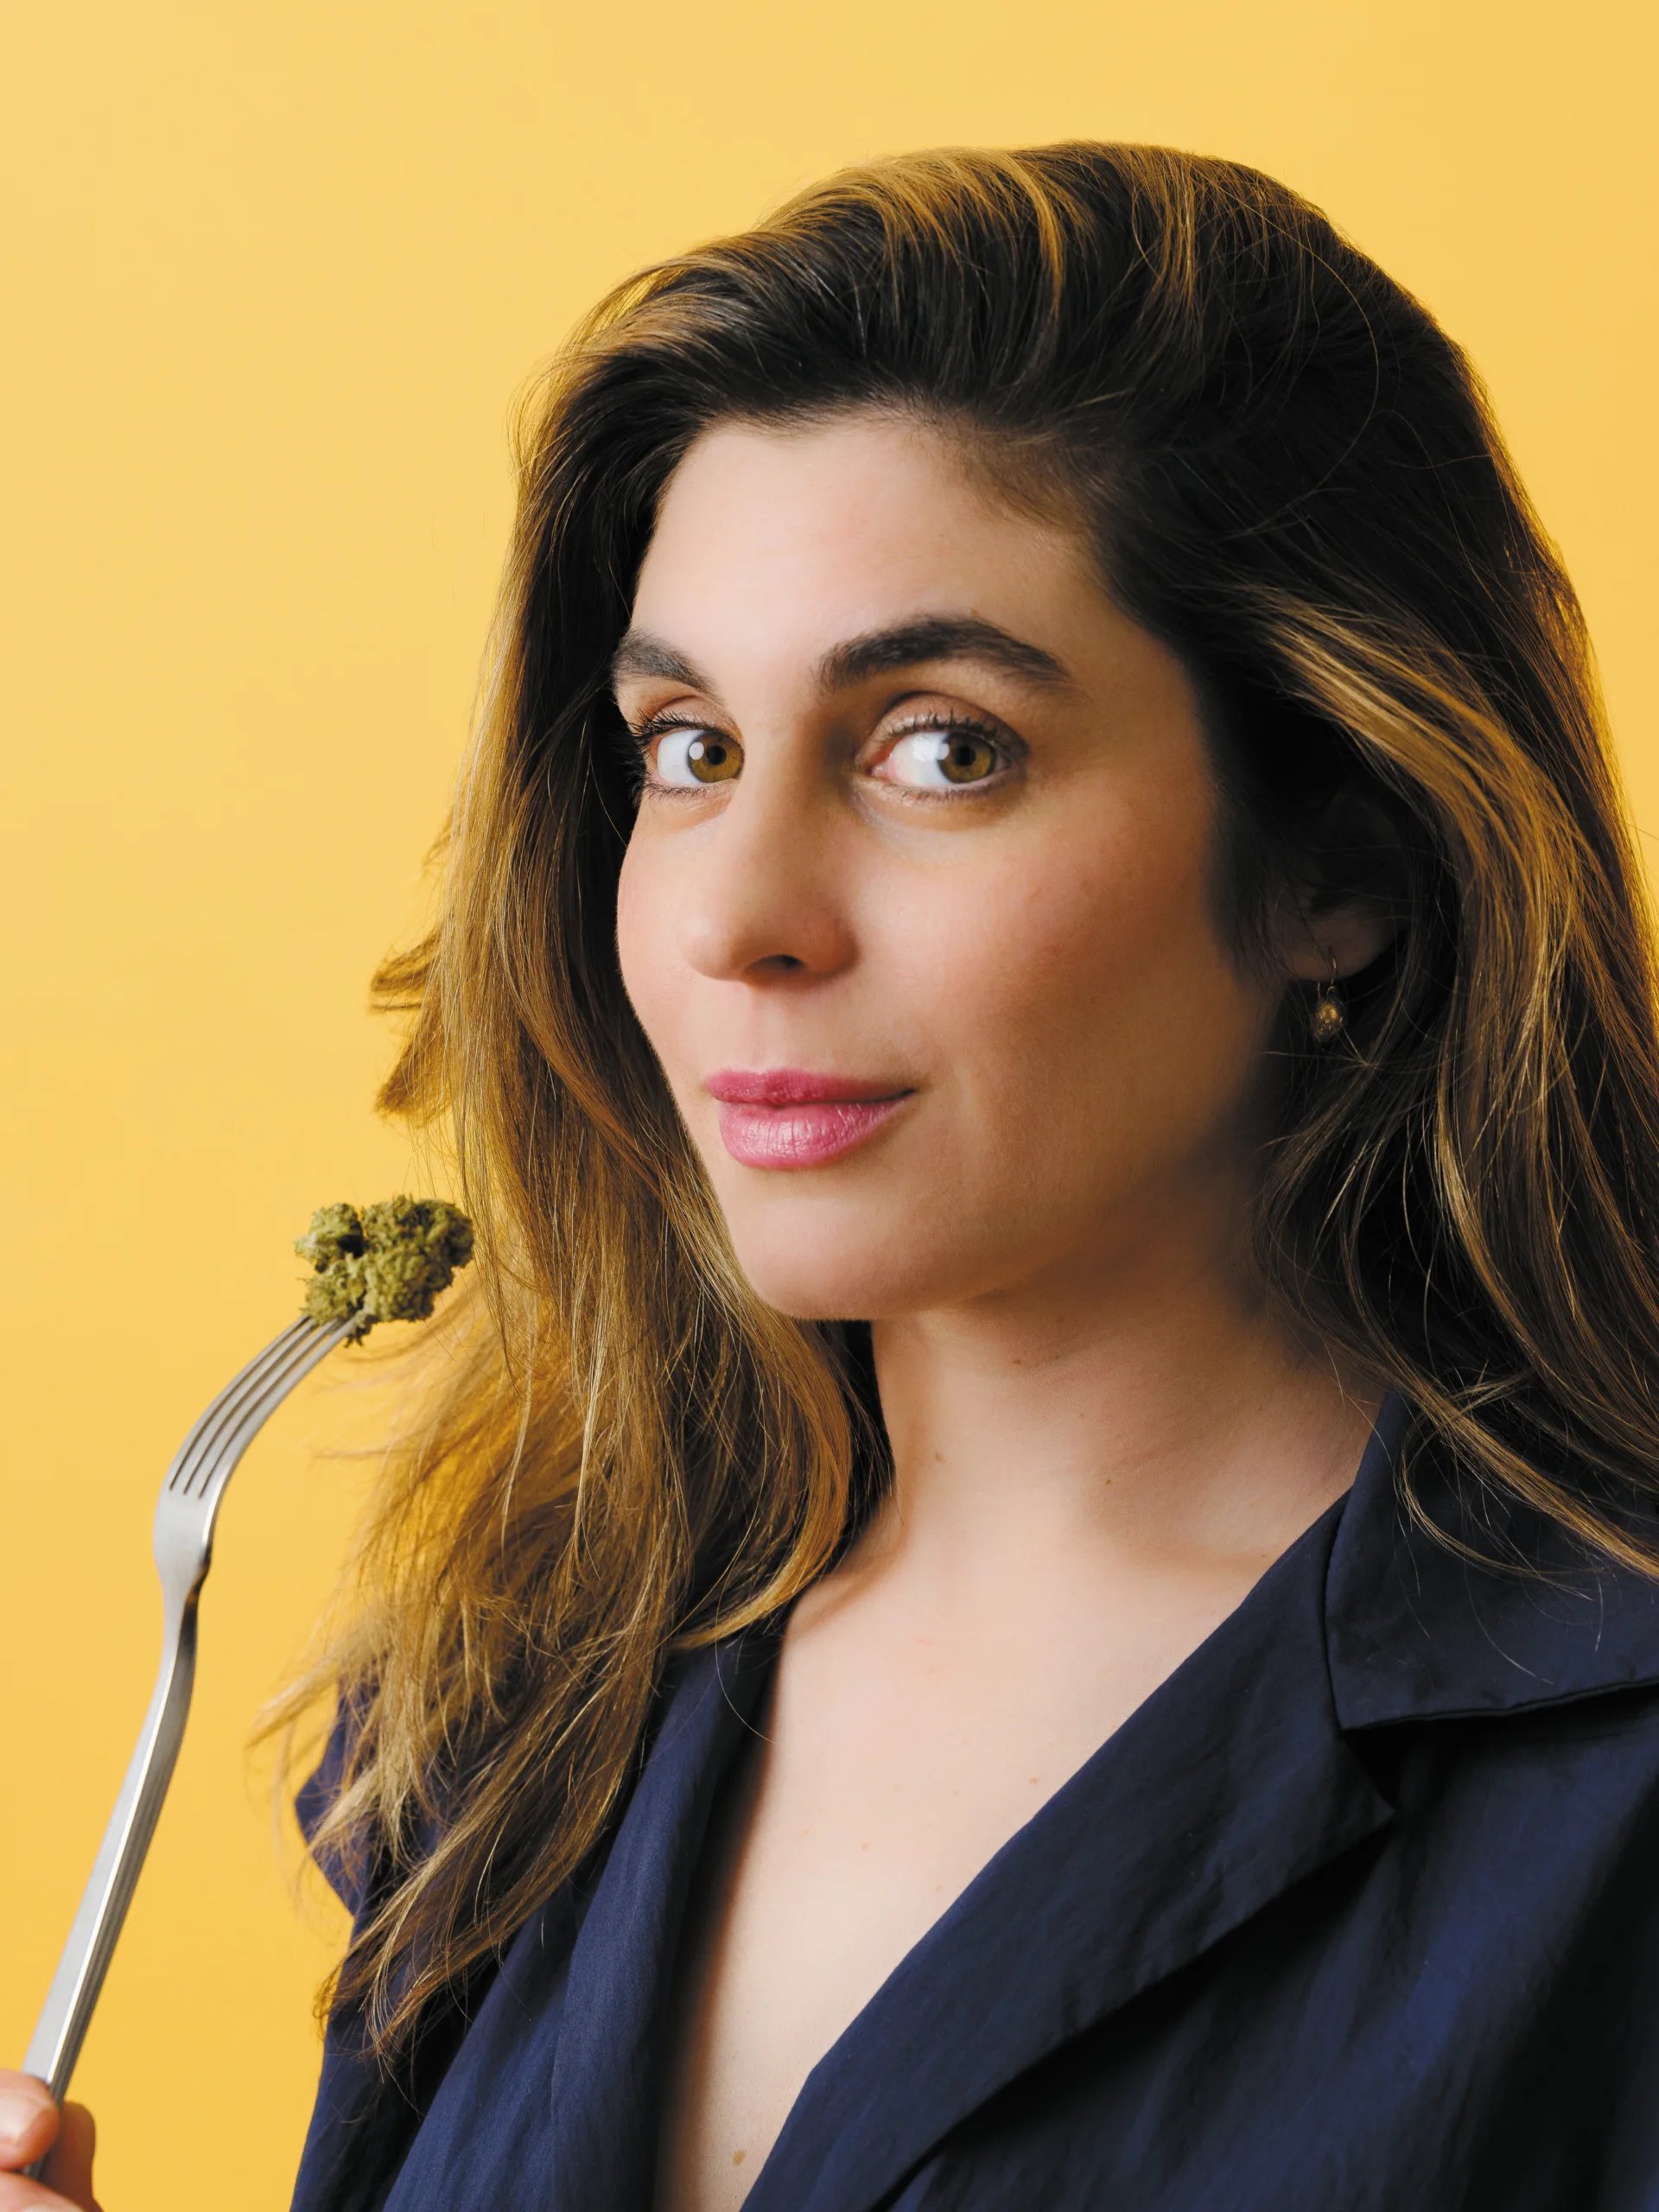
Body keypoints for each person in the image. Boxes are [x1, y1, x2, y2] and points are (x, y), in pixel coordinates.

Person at [10, 140, 1659, 2212]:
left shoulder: (1609, 1784)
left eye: (942, 746)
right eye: (688, 747)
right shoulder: (522, 1704)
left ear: (1342, 855)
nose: (737, 916)